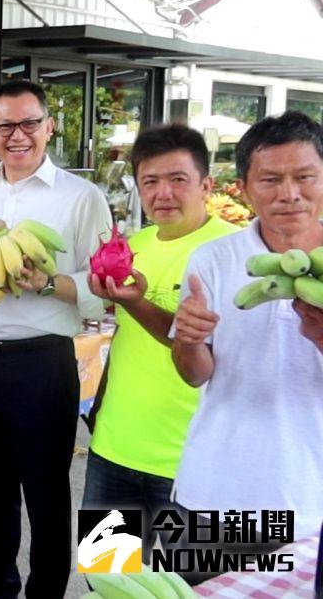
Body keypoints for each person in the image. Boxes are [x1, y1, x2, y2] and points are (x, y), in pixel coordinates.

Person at [0, 80, 112, 598]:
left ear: (48, 127)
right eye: (4, 125)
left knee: (46, 494)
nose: (16, 136)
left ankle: (46, 592)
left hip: (44, 362)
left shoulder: (82, 197)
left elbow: (104, 288)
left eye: (28, 124)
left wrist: (44, 281)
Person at [171, 111, 323, 580]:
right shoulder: (213, 259)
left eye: (304, 177)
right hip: (215, 494)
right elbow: (194, 372)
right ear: (243, 188)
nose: (289, 193)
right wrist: (189, 340)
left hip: (312, 502)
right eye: (270, 179)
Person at [82, 125, 237, 562]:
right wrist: (101, 403)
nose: (163, 193)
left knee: (188, 584)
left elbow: (212, 352)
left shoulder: (232, 252)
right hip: (114, 448)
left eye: (177, 179)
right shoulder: (133, 246)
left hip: (191, 461)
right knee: (107, 577)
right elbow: (124, 335)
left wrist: (135, 303)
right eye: (150, 181)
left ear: (206, 184)